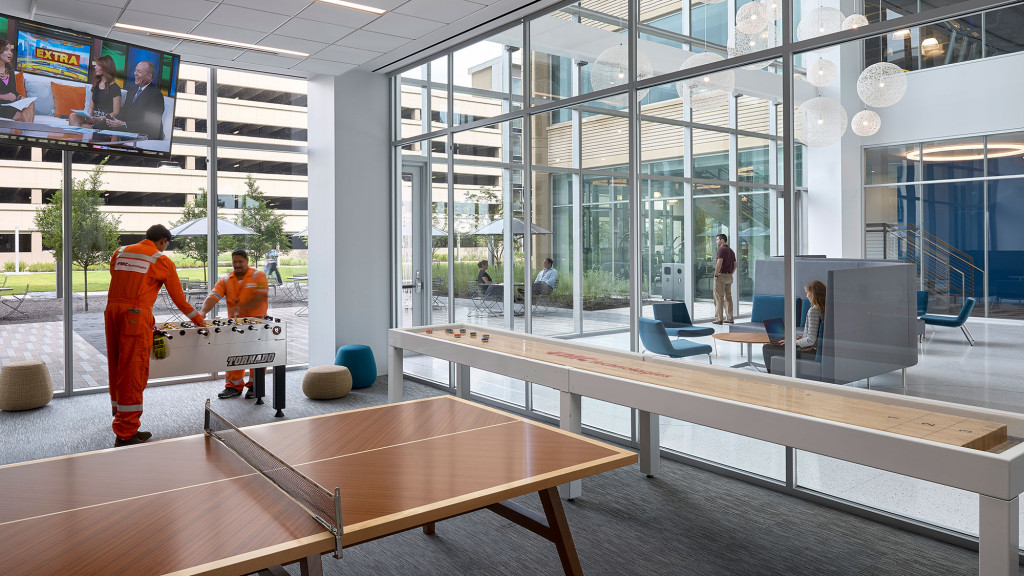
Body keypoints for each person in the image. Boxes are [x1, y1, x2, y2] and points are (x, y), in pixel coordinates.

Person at [105, 224, 205, 447]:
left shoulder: (119, 253)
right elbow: (179, 299)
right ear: (163, 241)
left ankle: (120, 416)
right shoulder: (161, 260)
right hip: (135, 316)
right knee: (133, 371)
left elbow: (119, 277)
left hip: (112, 312)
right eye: (166, 245)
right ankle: (126, 432)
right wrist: (199, 320)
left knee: (116, 364)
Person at [198, 249, 270, 399]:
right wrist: (203, 312)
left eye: (240, 262)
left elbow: (261, 295)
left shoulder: (258, 276)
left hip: (257, 323)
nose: (237, 265)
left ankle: (254, 386)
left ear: (247, 261)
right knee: (234, 355)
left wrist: (243, 306)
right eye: (234, 262)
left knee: (257, 356)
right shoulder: (226, 280)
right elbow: (213, 296)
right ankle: (233, 386)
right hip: (235, 325)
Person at [763, 280, 826, 375]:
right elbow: (816, 336)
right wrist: (804, 336)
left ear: (813, 293)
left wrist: (791, 342)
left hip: (808, 351)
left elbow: (811, 341)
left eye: (807, 293)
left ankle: (773, 375)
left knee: (767, 347)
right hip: (815, 350)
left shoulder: (813, 310)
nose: (806, 296)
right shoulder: (824, 308)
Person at [104, 60, 164, 140]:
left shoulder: (156, 95)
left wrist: (124, 124)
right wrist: (114, 120)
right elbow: (125, 111)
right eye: (135, 70)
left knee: (115, 131)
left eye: (139, 71)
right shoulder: (132, 90)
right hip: (129, 128)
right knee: (100, 125)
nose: (135, 73)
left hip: (146, 133)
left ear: (149, 76)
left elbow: (150, 124)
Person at [69, 55, 121, 128]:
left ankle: (79, 135)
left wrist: (99, 119)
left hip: (104, 120)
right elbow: (91, 107)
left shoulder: (115, 88)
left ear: (106, 67)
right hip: (93, 118)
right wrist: (89, 116)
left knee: (83, 126)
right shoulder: (96, 85)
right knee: (73, 116)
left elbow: (116, 112)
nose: (95, 67)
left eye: (98, 65)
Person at [0, 39, 35, 123]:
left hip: (9, 105)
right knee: (25, 117)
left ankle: (27, 132)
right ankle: (28, 133)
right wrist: (3, 96)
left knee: (30, 104)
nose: (10, 53)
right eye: (6, 50)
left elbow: (13, 91)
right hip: (1, 105)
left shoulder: (10, 71)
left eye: (11, 50)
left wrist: (19, 97)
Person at [712, 233, 736, 325]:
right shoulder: (731, 251)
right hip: (729, 276)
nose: (716, 241)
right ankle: (730, 318)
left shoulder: (721, 250)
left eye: (717, 239)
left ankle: (719, 319)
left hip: (721, 276)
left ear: (722, 240)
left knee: (719, 297)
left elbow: (719, 263)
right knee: (728, 297)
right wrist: (730, 273)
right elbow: (735, 264)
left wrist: (716, 275)